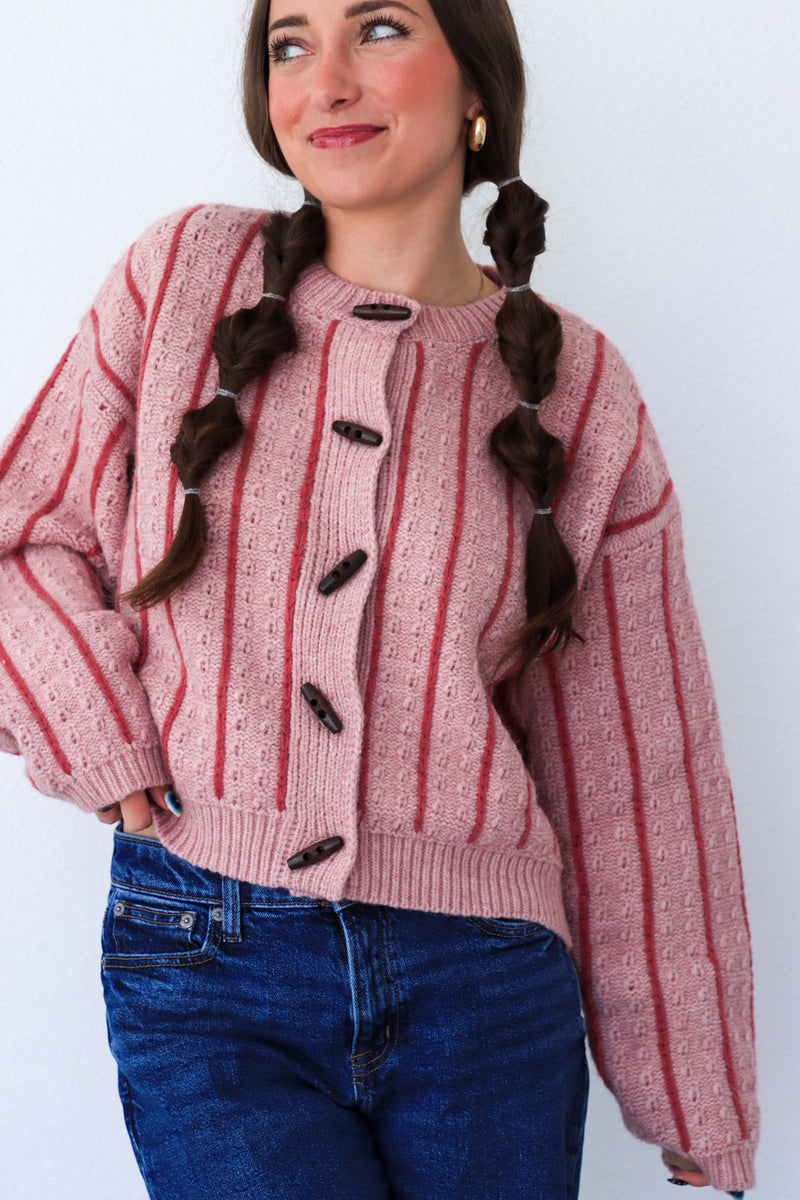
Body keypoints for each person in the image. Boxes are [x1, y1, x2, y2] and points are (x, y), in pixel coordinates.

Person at [0, 0, 758, 1196]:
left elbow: (638, 762)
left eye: (380, 30)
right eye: (289, 45)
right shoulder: (180, 280)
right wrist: (93, 733)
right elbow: (21, 537)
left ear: (476, 89)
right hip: (207, 957)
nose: (325, 81)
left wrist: (694, 1092)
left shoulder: (578, 388)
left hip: (486, 987)